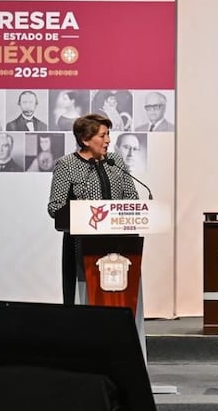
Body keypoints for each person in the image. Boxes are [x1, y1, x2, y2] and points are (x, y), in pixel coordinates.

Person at [47, 113, 139, 305]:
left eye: (108, 134)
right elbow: (55, 207)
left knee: (118, 294)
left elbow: (132, 196)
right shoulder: (67, 165)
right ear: (85, 140)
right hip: (81, 246)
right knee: (85, 300)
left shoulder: (116, 162)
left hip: (120, 244)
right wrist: (82, 212)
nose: (108, 140)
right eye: (103, 135)